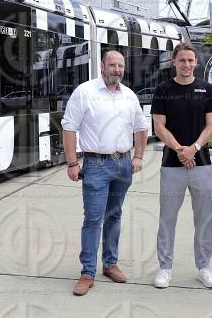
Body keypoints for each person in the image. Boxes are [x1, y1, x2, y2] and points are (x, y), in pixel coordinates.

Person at [62, 50, 148, 296]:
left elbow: (141, 127)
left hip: (123, 165)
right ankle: (87, 273)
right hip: (96, 165)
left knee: (114, 216)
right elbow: (69, 128)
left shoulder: (129, 96)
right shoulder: (85, 92)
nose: (117, 70)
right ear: (102, 66)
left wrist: (139, 156)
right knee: (93, 219)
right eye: (112, 65)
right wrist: (71, 163)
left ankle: (110, 264)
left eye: (120, 66)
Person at [150, 43, 212, 289]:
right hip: (172, 166)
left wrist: (194, 148)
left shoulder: (207, 89)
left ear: (196, 63)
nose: (187, 64)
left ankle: (204, 268)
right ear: (174, 62)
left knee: (203, 219)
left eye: (191, 60)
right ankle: (165, 268)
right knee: (167, 219)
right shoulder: (163, 90)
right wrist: (181, 150)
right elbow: (159, 126)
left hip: (201, 165)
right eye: (182, 60)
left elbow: (211, 125)